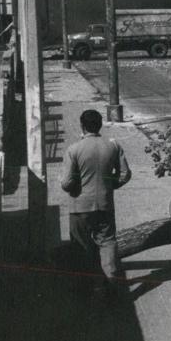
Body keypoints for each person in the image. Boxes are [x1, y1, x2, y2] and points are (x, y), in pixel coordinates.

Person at [61, 109, 132, 301]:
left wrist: (76, 186)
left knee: (81, 246)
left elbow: (66, 183)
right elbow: (125, 174)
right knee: (107, 242)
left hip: (80, 207)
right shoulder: (113, 146)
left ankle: (87, 287)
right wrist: (111, 185)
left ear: (82, 125)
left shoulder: (74, 149)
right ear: (100, 125)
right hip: (105, 204)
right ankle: (110, 283)